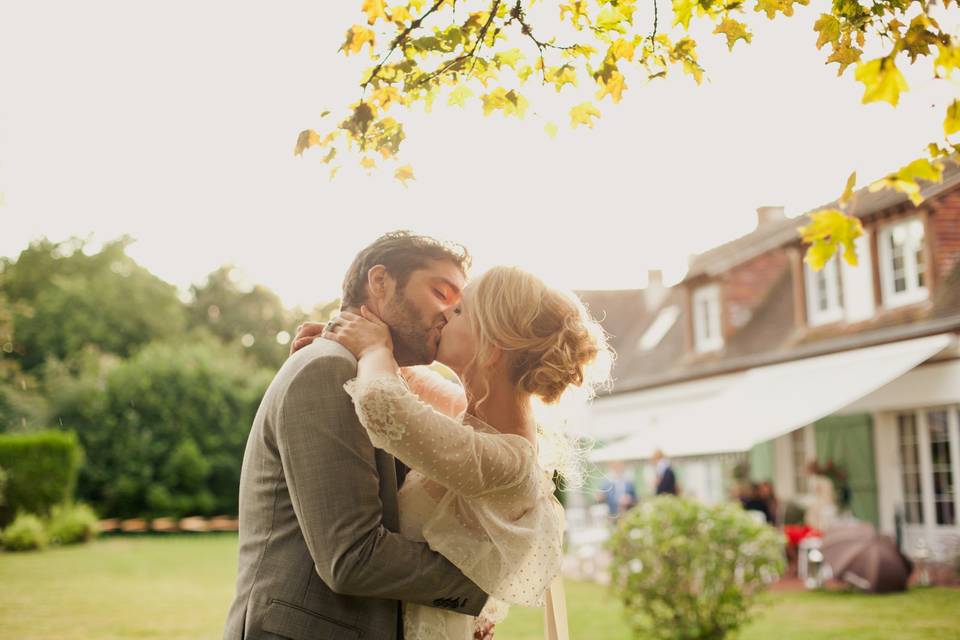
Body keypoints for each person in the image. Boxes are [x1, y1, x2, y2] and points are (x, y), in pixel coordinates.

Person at [299, 263, 610, 639]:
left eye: (460, 310)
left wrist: (373, 347)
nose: (446, 313)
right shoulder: (479, 418)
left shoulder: (507, 460)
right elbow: (408, 381)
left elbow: (385, 404)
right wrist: (343, 340)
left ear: (492, 348)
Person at [223, 232, 492, 640]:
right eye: (440, 292)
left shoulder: (376, 380)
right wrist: (488, 581)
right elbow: (353, 557)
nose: (449, 314)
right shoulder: (329, 369)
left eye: (458, 305)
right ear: (380, 282)